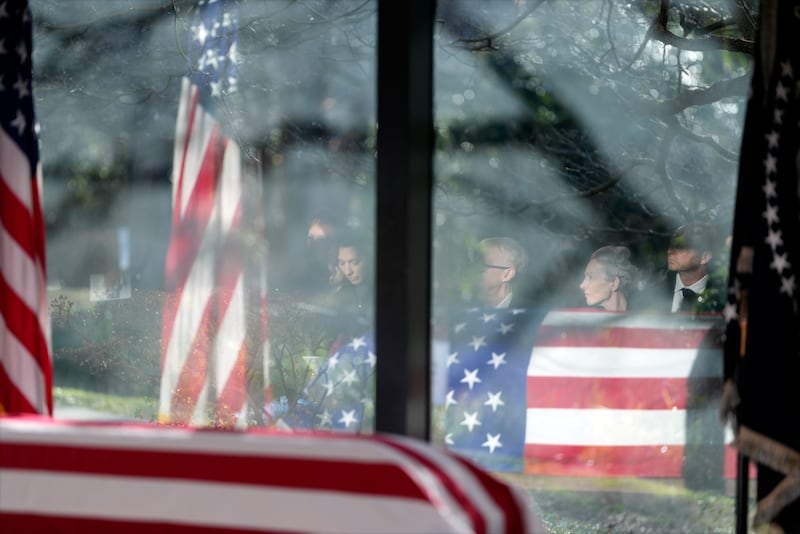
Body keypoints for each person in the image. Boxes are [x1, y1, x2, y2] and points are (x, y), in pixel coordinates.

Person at [663, 223, 722, 313]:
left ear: (705, 257)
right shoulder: (653, 290)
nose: (669, 251)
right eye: (671, 245)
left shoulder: (721, 296)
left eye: (681, 246)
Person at [579, 245, 638, 312]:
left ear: (614, 283)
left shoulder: (643, 317)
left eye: (591, 277)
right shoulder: (585, 318)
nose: (581, 285)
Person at [475, 237, 529, 308]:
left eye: (481, 266)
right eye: (471, 264)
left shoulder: (532, 314)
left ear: (507, 275)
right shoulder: (461, 307)